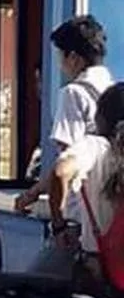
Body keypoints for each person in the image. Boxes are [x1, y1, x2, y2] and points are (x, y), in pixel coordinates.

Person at [16, 16, 112, 227]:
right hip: (112, 209)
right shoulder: (114, 92)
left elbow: (65, 166)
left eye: (60, 56)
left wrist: (33, 195)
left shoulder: (73, 94)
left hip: (83, 214)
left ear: (74, 58)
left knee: (47, 262)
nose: (60, 64)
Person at [34, 81, 124, 298]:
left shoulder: (94, 147)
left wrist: (58, 225)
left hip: (102, 274)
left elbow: (60, 172)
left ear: (101, 118)